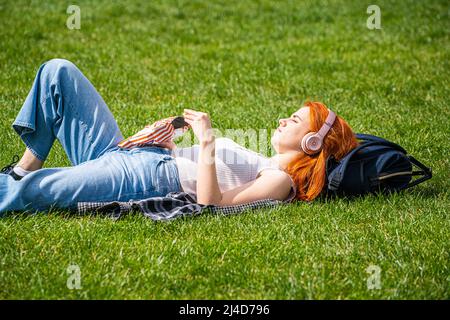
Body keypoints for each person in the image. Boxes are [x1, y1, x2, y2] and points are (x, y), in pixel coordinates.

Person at [0, 59, 358, 215]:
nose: (282, 119)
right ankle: (22, 169)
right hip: (140, 158)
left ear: (313, 144)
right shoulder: (264, 163)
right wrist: (169, 143)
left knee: (40, 192)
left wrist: (206, 142)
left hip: (145, 178)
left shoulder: (281, 182)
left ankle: (18, 184)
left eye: (294, 120)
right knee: (58, 73)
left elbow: (211, 204)